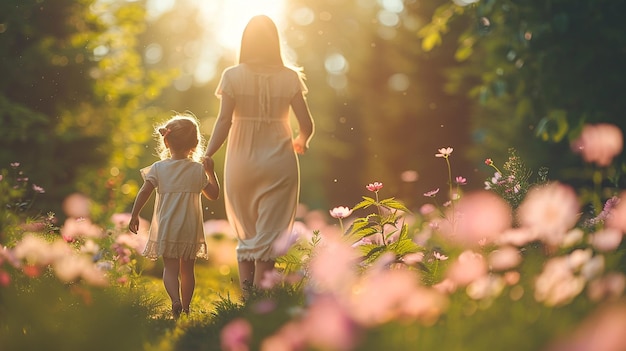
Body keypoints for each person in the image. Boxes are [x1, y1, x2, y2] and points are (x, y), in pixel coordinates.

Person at [204, 15, 315, 296]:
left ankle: (246, 297)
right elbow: (307, 124)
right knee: (270, 231)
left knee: (247, 231)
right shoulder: (289, 77)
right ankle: (264, 298)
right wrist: (302, 140)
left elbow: (223, 122)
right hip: (279, 161)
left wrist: (208, 154)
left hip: (242, 161)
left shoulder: (232, 75)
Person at [129, 114, 220, 318]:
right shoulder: (198, 170)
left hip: (167, 225)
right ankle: (186, 308)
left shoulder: (159, 168)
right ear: (196, 144)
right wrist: (211, 172)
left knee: (170, 269)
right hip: (190, 227)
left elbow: (144, 191)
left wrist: (135, 214)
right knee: (187, 270)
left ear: (166, 141)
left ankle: (175, 301)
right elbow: (214, 195)